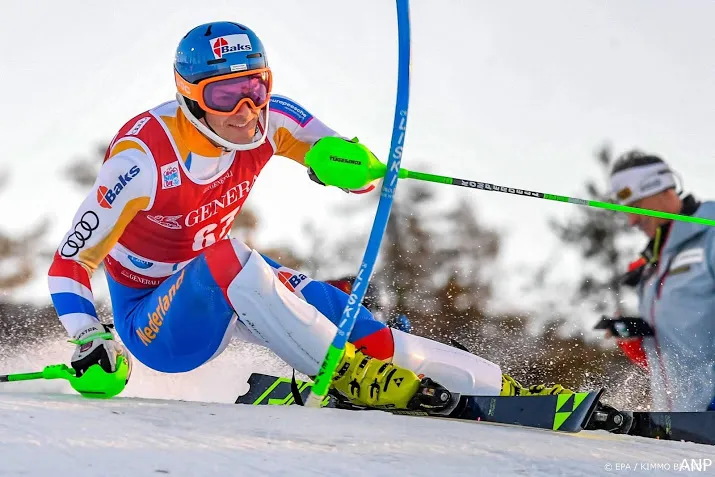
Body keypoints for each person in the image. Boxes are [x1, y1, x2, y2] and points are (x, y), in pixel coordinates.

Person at [48, 21, 569, 408]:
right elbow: (67, 265)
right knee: (231, 257)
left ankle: (500, 387)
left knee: (340, 311)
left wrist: (344, 165)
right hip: (155, 324)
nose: (246, 110)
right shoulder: (142, 158)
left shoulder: (271, 119)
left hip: (229, 289)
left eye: (255, 87)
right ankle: (346, 376)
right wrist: (89, 337)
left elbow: (346, 163)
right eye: (225, 95)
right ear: (189, 98)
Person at [607, 150, 715, 411]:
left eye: (635, 207)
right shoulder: (652, 267)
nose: (631, 221)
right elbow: (678, 359)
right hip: (678, 431)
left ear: (662, 190)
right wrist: (636, 342)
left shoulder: (710, 236)